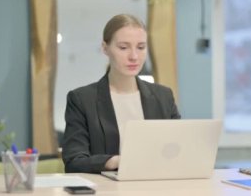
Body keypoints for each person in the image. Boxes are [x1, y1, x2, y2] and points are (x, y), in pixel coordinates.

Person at [62, 14, 181, 173]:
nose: (134, 56)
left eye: (140, 47)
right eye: (123, 47)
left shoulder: (163, 97)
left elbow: (179, 149)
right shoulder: (82, 100)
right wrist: (113, 161)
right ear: (105, 48)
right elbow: (74, 161)